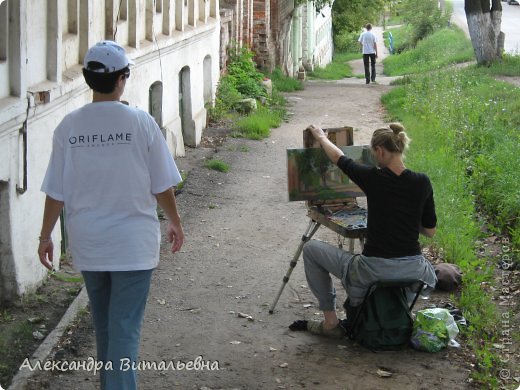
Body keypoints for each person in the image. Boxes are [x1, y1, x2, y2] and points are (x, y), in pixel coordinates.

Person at [38, 40, 184, 389]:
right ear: (122, 79)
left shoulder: (68, 127)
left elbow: (56, 191)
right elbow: (162, 185)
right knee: (123, 329)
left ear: (88, 79)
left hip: (91, 245)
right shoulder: (141, 123)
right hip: (132, 246)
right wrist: (176, 221)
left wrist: (45, 236)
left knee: (106, 325)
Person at [303, 123, 437, 338]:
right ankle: (394, 311)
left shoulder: (374, 178)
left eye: (374, 154)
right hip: (414, 272)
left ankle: (330, 323)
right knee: (418, 270)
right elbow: (430, 231)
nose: (375, 159)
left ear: (380, 151)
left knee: (311, 249)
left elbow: (339, 158)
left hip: (374, 271)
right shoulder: (422, 182)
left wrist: (321, 137)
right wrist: (405, 217)